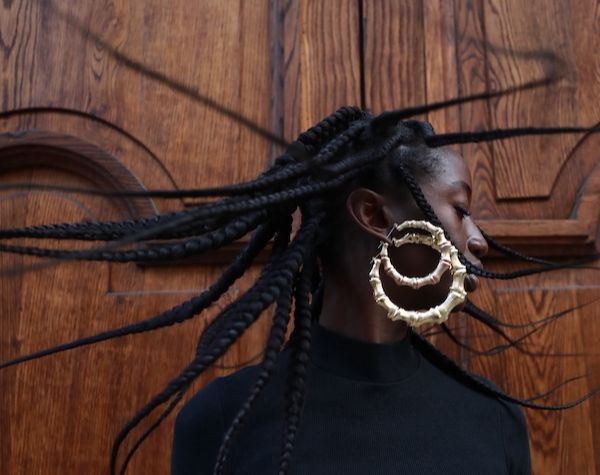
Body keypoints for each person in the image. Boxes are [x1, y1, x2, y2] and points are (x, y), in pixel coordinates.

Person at [170, 109, 531, 474]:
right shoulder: (222, 421)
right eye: (461, 210)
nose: (479, 241)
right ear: (374, 215)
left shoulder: (494, 420)